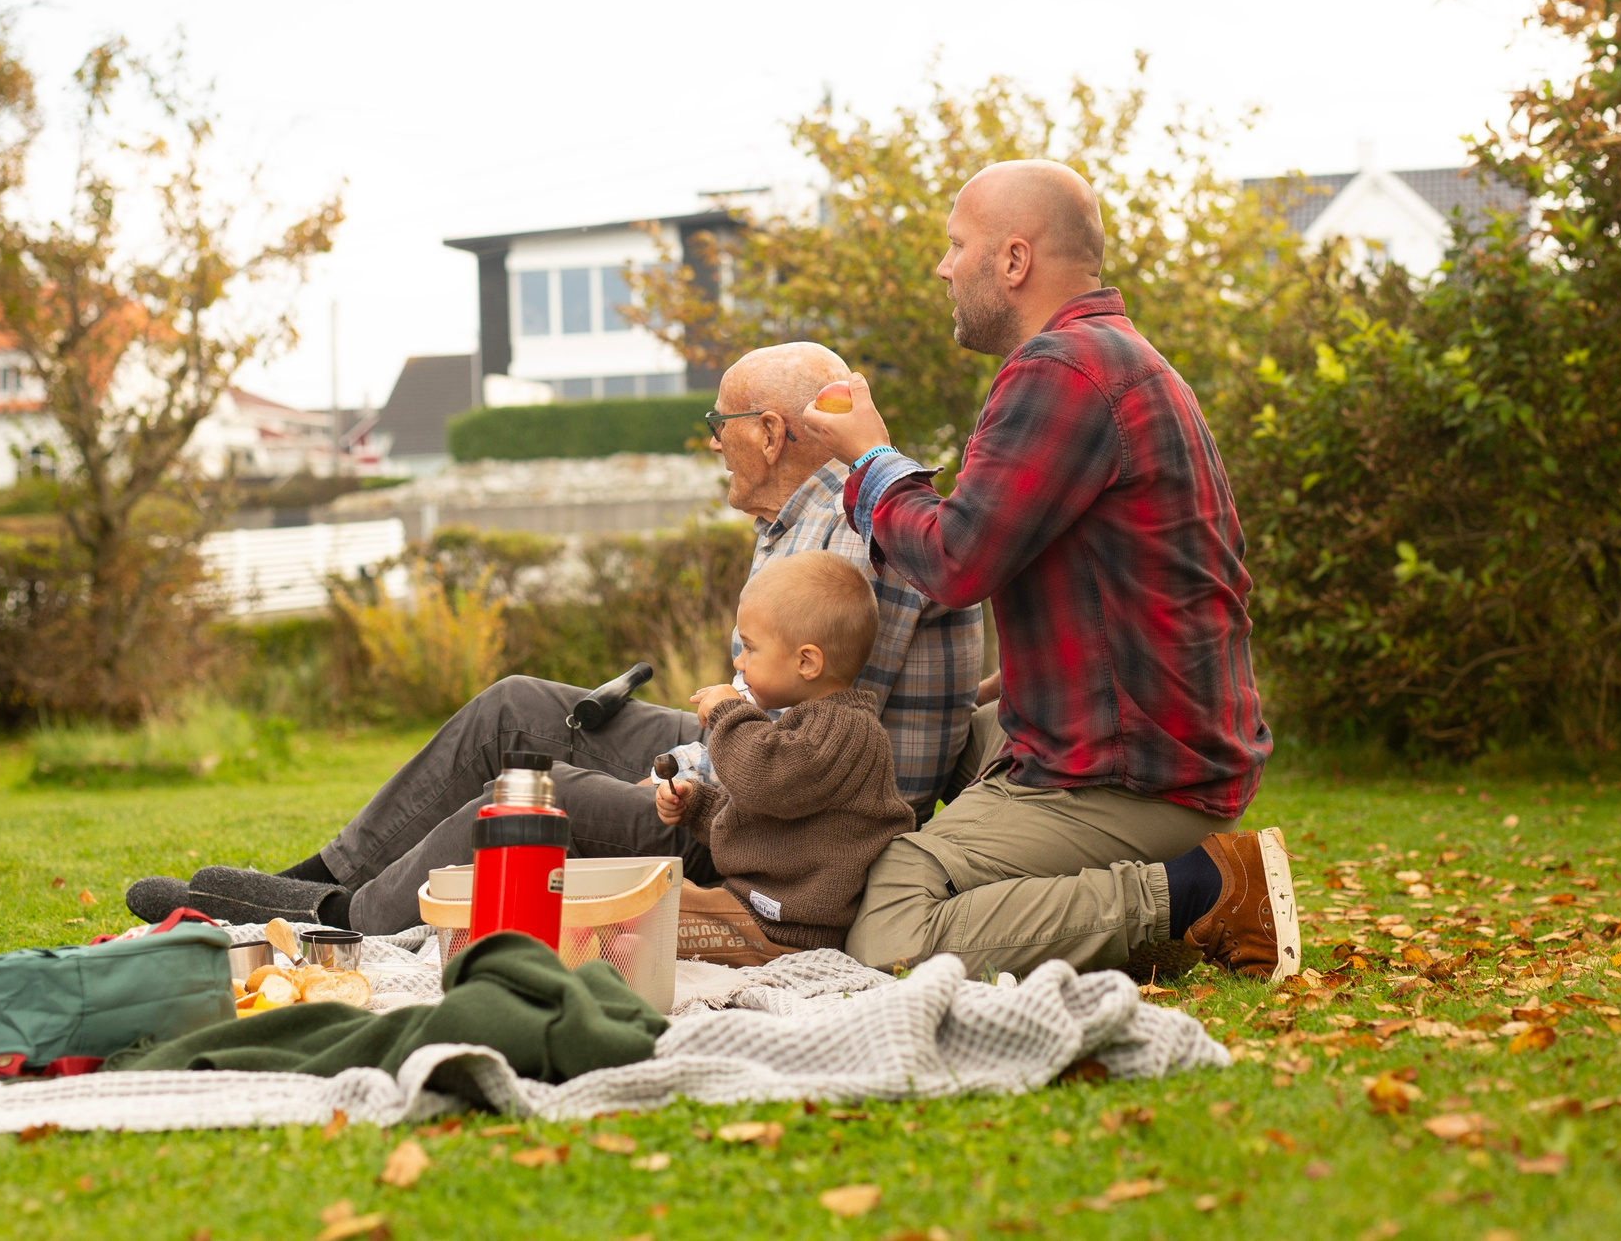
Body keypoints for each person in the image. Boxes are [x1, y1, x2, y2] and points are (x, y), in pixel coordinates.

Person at [123, 341, 980, 933]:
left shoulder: (870, 526)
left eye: (721, 423)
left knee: (539, 789)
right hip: (754, 759)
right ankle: (318, 877)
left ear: (771, 431)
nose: (713, 441)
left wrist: (690, 767)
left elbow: (823, 751)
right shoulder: (797, 519)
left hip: (788, 820)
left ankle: (333, 922)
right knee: (519, 708)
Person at [801, 159, 1300, 983]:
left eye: (957, 244)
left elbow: (956, 559)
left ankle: (1204, 890)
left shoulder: (1061, 370)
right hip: (1149, 743)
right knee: (939, 737)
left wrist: (872, 457)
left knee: (891, 914)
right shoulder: (1112, 358)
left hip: (1138, 774)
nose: (943, 265)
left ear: (1014, 260)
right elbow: (1103, 592)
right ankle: (1131, 905)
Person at [653, 549, 912, 951]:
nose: (739, 662)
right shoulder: (812, 726)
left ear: (807, 662)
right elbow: (772, 821)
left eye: (751, 649)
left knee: (644, 908)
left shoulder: (845, 730)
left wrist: (727, 711)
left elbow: (762, 780)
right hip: (760, 910)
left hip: (786, 928)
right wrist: (699, 806)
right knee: (646, 900)